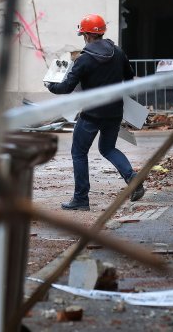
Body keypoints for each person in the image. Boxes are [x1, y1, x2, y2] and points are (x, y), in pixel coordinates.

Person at [45, 14, 145, 211]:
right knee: (108, 149)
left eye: (83, 34)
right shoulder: (118, 53)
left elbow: (66, 87)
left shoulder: (84, 60)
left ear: (87, 35)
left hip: (92, 114)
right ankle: (133, 180)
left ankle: (81, 199)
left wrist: (51, 86)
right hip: (115, 112)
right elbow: (129, 78)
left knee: (79, 153)